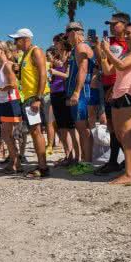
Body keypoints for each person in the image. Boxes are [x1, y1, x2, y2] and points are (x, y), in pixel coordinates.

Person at [98, 21, 131, 186]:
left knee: (126, 135)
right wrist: (102, 54)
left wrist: (107, 50)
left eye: (129, 33)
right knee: (121, 135)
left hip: (130, 94)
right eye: (125, 33)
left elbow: (121, 65)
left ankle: (129, 176)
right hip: (119, 93)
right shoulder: (127, 51)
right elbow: (108, 71)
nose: (125, 36)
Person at [10, 28, 50, 178]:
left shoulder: (36, 51)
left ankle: (43, 167)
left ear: (26, 39)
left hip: (35, 97)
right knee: (34, 132)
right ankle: (41, 164)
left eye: (17, 39)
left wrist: (38, 98)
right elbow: (28, 77)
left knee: (36, 132)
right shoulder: (25, 55)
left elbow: (43, 73)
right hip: (28, 97)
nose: (15, 42)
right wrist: (17, 71)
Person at [95, 12, 130, 175]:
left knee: (123, 128)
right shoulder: (109, 42)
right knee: (112, 127)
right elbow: (105, 67)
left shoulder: (129, 43)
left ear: (125, 24)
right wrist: (100, 50)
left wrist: (113, 86)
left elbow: (122, 68)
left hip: (122, 88)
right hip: (108, 87)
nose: (111, 27)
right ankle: (114, 161)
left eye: (115, 24)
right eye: (110, 24)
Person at [65, 22, 95, 168]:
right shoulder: (76, 48)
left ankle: (87, 162)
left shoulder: (81, 47)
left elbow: (82, 70)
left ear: (75, 32)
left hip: (82, 91)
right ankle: (85, 160)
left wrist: (76, 93)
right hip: (79, 90)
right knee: (81, 127)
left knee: (82, 128)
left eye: (68, 33)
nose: (66, 37)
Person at [0, 41, 23, 173]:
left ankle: (15, 162)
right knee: (6, 134)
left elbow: (13, 85)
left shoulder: (7, 66)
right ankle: (14, 162)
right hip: (4, 102)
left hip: (11, 101)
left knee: (6, 134)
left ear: (2, 50)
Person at [49, 35, 79, 166]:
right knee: (61, 127)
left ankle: (77, 157)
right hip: (55, 92)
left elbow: (68, 75)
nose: (55, 45)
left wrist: (55, 72)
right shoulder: (57, 58)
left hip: (65, 93)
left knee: (71, 127)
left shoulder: (70, 56)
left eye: (57, 43)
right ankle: (68, 155)